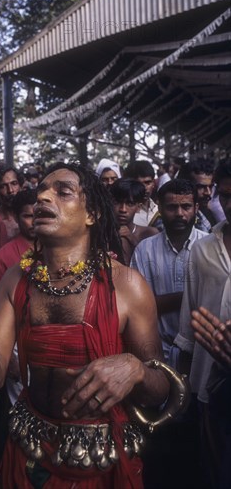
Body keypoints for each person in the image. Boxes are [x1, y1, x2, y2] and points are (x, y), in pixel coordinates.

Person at [0, 162, 187, 489]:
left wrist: (135, 369)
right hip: (28, 452)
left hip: (101, 461)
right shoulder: (15, 279)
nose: (44, 197)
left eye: (63, 192)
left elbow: (158, 389)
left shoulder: (127, 285)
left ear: (91, 215)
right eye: (42, 191)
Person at [174, 159, 231, 488]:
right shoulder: (202, 249)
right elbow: (188, 323)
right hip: (208, 379)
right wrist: (182, 388)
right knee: (213, 467)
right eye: (225, 196)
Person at [131, 179, 208, 368]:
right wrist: (191, 297)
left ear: (196, 208)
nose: (179, 214)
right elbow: (138, 307)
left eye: (186, 206)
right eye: (172, 207)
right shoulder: (145, 250)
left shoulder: (210, 247)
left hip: (204, 352)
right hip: (158, 351)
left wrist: (162, 301)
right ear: (161, 209)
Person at [0, 188, 36, 310]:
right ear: (16, 218)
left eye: (39, 215)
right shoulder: (0, 258)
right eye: (28, 216)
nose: (34, 222)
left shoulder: (55, 249)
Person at [109, 178, 158, 264]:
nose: (123, 209)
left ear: (139, 207)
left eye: (130, 204)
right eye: (117, 202)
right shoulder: (101, 235)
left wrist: (133, 241)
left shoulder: (150, 234)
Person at [178, 159, 216, 232]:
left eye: (210, 187)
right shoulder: (177, 219)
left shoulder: (209, 214)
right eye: (201, 187)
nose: (208, 192)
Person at [0, 164, 24, 239]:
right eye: (3, 186)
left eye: (14, 184)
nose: (10, 190)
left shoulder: (32, 214)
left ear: (20, 186)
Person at [124, 160, 160, 228]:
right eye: (139, 184)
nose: (144, 188)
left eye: (147, 183)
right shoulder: (124, 213)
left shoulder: (159, 210)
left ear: (153, 183)